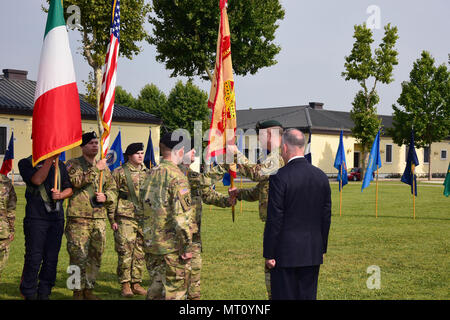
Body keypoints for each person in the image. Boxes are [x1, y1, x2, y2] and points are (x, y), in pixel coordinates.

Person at [263, 128, 331, 300]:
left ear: (284, 148)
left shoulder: (279, 176)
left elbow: (275, 217)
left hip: (285, 254)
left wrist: (269, 253)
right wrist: (322, 247)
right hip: (312, 252)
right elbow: (326, 216)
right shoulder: (321, 176)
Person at [226, 119, 285, 299]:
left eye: (259, 135)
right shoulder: (272, 156)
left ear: (269, 134)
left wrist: (236, 155)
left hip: (280, 225)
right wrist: (240, 193)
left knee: (276, 275)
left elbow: (258, 173)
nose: (257, 139)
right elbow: (263, 189)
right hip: (276, 222)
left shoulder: (278, 155)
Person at [141, 132, 195, 300]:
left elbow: (139, 208)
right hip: (172, 247)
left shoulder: (149, 173)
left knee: (156, 288)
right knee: (175, 292)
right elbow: (182, 218)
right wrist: (187, 246)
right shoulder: (177, 177)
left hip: (151, 243)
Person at [179, 141, 236, 300]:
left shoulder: (190, 173)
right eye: (191, 151)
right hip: (178, 232)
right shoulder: (176, 173)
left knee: (195, 266)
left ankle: (194, 296)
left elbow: (207, 194)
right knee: (178, 272)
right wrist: (225, 165)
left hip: (194, 230)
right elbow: (203, 181)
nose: (194, 154)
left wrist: (227, 201)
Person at [65, 131, 117, 300]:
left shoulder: (104, 168)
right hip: (78, 218)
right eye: (91, 143)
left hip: (98, 218)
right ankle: (76, 291)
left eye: (96, 143)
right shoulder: (73, 164)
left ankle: (88, 289)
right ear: (82, 146)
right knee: (77, 256)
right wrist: (96, 169)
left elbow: (113, 189)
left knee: (96, 256)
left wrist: (107, 196)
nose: (95, 145)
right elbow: (76, 182)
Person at [18, 153, 73, 300]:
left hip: (56, 218)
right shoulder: (26, 163)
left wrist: (61, 195)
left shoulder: (60, 165)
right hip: (36, 218)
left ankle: (44, 292)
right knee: (34, 257)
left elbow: (69, 188)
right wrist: (49, 159)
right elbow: (37, 180)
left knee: (51, 258)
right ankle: (29, 292)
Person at [111, 142, 148, 297]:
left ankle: (136, 282)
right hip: (125, 216)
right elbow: (112, 194)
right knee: (125, 250)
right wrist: (111, 217)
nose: (140, 156)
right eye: (137, 153)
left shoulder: (149, 172)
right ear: (129, 155)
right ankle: (125, 284)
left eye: (141, 153)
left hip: (144, 217)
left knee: (140, 251)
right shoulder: (120, 172)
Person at [0, 174, 17, 282]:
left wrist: (11, 229)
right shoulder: (6, 181)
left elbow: (11, 207)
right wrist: (11, 229)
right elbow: (11, 207)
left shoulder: (6, 181)